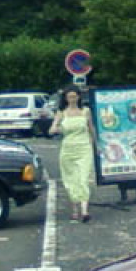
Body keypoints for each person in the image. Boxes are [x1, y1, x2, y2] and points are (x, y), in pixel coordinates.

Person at [49, 85, 96, 223]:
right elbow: (52, 129)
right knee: (71, 180)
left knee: (83, 178)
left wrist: (96, 145)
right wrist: (58, 128)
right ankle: (75, 209)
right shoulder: (61, 113)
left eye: (74, 96)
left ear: (79, 97)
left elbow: (91, 129)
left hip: (84, 148)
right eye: (69, 97)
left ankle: (84, 210)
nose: (72, 99)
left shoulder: (86, 111)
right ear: (66, 98)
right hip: (68, 149)